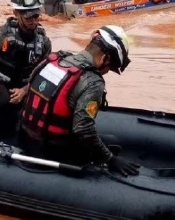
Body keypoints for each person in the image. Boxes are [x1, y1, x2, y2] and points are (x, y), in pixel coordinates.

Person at [20, 25, 140, 176]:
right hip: (55, 151)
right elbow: (83, 129)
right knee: (112, 142)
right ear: (105, 58)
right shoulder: (92, 82)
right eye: (110, 67)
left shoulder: (54, 60)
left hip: (27, 140)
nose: (107, 72)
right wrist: (111, 159)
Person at [0, 0, 52, 139]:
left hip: (26, 87)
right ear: (16, 13)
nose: (33, 21)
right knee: (2, 103)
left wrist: (24, 90)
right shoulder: (2, 34)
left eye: (36, 16)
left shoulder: (44, 42)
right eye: (28, 17)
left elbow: (44, 75)